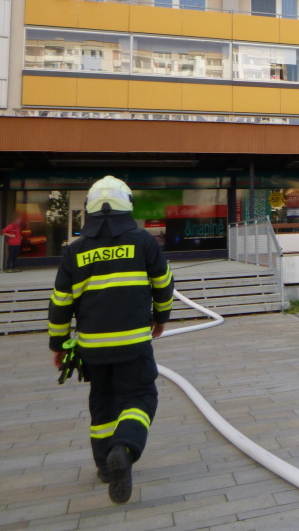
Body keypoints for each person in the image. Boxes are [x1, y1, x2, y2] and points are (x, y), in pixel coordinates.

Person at [48, 176, 174, 505]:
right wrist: (161, 318)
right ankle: (124, 448)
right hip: (133, 344)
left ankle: (105, 465)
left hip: (93, 349)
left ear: (90, 209)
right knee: (141, 397)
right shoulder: (143, 242)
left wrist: (58, 345)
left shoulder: (75, 251)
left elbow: (60, 302)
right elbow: (164, 284)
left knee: (102, 402)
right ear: (127, 205)